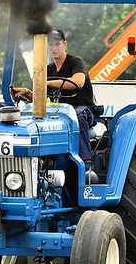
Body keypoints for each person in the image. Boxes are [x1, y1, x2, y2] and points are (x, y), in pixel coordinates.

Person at [11, 29, 97, 164]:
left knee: (77, 116)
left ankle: (84, 161)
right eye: (50, 45)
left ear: (65, 44)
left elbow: (78, 82)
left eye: (57, 44)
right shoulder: (48, 69)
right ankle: (46, 160)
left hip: (81, 109)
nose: (53, 48)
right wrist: (27, 92)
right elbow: (41, 97)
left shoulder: (75, 62)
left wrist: (47, 82)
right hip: (59, 112)